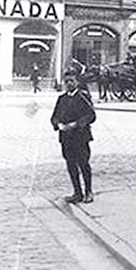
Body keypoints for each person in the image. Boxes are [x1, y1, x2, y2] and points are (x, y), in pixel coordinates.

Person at [51, 70, 97, 203]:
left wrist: (76, 124)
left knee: (84, 164)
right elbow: (54, 116)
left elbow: (91, 115)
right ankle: (77, 192)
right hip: (66, 138)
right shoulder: (61, 99)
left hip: (81, 137)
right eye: (67, 81)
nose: (69, 84)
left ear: (77, 82)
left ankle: (88, 191)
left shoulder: (83, 97)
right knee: (71, 165)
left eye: (72, 81)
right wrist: (58, 124)